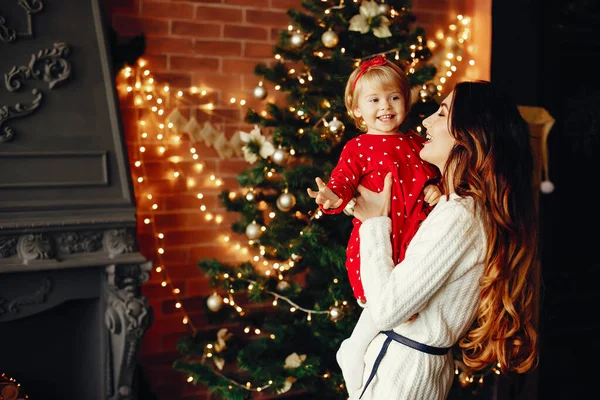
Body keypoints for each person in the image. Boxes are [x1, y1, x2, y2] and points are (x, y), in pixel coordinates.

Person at [344, 80, 538, 399]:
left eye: (442, 112)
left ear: (469, 132)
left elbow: (387, 308)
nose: (425, 121)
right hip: (407, 370)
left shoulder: (462, 214)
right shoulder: (456, 207)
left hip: (402, 378)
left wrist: (375, 223)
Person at [306, 54, 440, 395]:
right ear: (357, 109)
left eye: (394, 97)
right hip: (379, 245)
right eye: (375, 99)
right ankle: (358, 379)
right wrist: (334, 197)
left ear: (406, 101)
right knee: (385, 313)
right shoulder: (358, 147)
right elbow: (343, 182)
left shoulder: (418, 144)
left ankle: (360, 364)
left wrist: (436, 188)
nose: (386, 106)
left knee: (397, 320)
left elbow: (438, 173)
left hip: (415, 244)